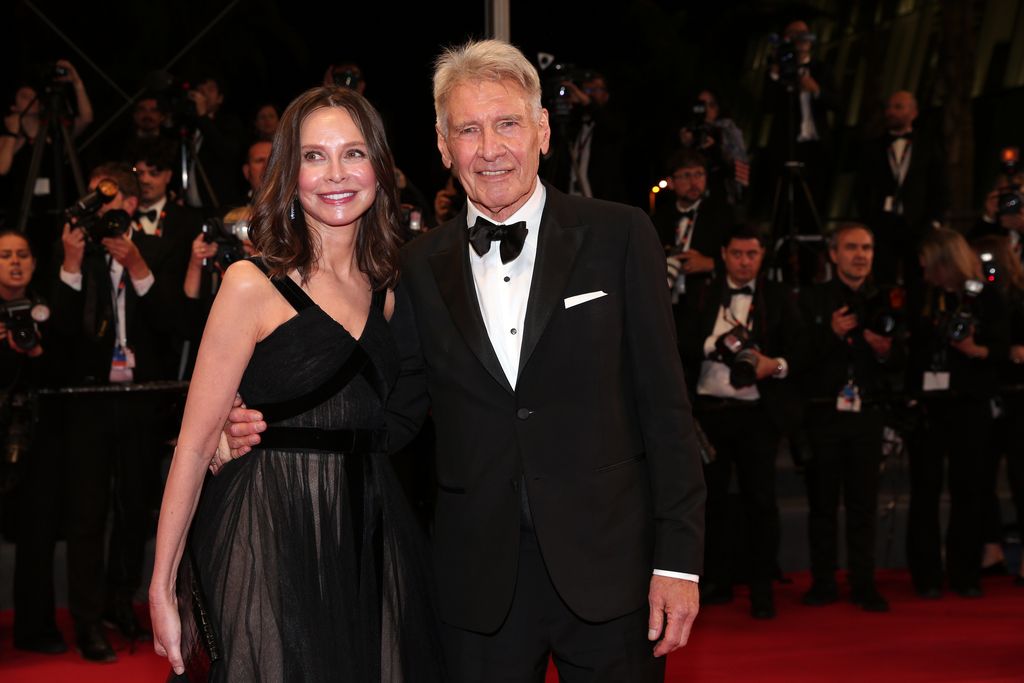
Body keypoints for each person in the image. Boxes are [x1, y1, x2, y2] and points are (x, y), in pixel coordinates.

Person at [224, 39, 705, 681]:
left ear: (541, 131)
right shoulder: (418, 265)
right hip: (477, 583)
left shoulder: (620, 236)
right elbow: (397, 410)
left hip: (611, 571)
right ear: (445, 148)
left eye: (507, 123)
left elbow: (667, 408)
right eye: (468, 130)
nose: (490, 148)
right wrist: (277, 427)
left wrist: (678, 562)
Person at [149, 86, 444, 681]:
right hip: (268, 527)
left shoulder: (389, 287)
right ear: (290, 171)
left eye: (353, 153)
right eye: (314, 156)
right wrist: (161, 584)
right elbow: (197, 442)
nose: (335, 174)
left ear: (380, 170)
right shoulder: (250, 283)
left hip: (372, 527)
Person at [50, 161, 182, 662]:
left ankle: (119, 602)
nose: (96, 212)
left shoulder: (158, 251)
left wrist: (138, 269)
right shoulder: (76, 255)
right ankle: (87, 622)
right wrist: (67, 263)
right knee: (86, 515)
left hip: (142, 401)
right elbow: (59, 335)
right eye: (91, 202)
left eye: (105, 202)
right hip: (87, 403)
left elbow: (176, 326)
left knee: (133, 511)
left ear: (128, 205)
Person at [678, 223, 802, 619]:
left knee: (761, 502)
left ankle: (762, 586)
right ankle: (714, 581)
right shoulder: (701, 294)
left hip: (756, 417)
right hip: (708, 416)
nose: (744, 262)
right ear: (724, 254)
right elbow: (675, 341)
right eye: (737, 254)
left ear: (762, 257)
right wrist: (712, 346)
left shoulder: (779, 298)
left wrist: (774, 366)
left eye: (752, 254)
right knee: (708, 503)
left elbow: (801, 353)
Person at [798, 224, 902, 612]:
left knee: (864, 505)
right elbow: (797, 359)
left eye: (867, 247)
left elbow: (900, 362)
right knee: (822, 505)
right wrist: (830, 333)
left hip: (867, 416)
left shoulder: (885, 300)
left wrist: (882, 351)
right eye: (852, 247)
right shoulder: (813, 300)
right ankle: (823, 582)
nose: (860, 254)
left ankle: (864, 583)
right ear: (833, 254)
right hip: (824, 414)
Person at [906, 228, 1008, 599]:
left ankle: (965, 572)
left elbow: (1002, 347)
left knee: (971, 490)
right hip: (929, 405)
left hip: (971, 403)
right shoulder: (920, 295)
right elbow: (910, 347)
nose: (924, 268)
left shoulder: (984, 297)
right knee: (924, 490)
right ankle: (927, 574)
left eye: (929, 262)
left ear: (947, 262)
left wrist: (974, 349)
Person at [0, 230, 67, 654]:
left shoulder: (49, 307)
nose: (15, 262)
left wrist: (38, 352)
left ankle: (36, 628)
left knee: (37, 535)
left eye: (22, 254)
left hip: (38, 436)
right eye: (4, 255)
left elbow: (67, 370)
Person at [856, 91, 947, 286]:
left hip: (918, 224)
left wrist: (934, 221)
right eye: (889, 107)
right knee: (882, 280)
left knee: (918, 280)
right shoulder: (872, 148)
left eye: (898, 107)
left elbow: (939, 185)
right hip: (882, 225)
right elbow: (862, 189)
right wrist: (868, 221)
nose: (891, 112)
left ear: (913, 113)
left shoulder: (928, 145)